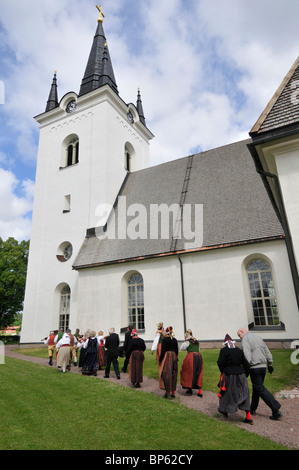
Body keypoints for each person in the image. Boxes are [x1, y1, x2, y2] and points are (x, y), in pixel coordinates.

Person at [237, 328, 282, 420]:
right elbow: (266, 351)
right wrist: (270, 364)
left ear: (242, 332)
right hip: (263, 367)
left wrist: (246, 370)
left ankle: (275, 408)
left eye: (239, 335)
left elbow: (246, 356)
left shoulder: (245, 339)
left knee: (260, 388)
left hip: (255, 367)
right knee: (256, 388)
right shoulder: (257, 337)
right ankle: (252, 409)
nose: (239, 338)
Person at [217, 334, 253, 424]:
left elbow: (220, 362)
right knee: (244, 393)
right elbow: (246, 364)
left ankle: (225, 411)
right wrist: (245, 374)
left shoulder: (224, 350)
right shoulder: (239, 351)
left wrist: (223, 371)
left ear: (225, 343)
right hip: (241, 375)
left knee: (227, 393)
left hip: (229, 375)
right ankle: (248, 416)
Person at [180, 329, 203, 397]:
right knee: (198, 372)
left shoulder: (188, 342)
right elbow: (198, 349)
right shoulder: (196, 341)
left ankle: (189, 389)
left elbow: (182, 348)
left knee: (188, 372)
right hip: (199, 357)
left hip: (191, 357)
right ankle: (200, 391)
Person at [159, 326, 178, 398]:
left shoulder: (165, 340)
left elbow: (163, 350)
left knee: (166, 373)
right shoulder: (175, 340)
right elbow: (176, 350)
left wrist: (160, 360)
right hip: (174, 356)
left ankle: (167, 392)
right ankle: (173, 392)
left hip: (168, 356)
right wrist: (176, 358)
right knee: (174, 373)